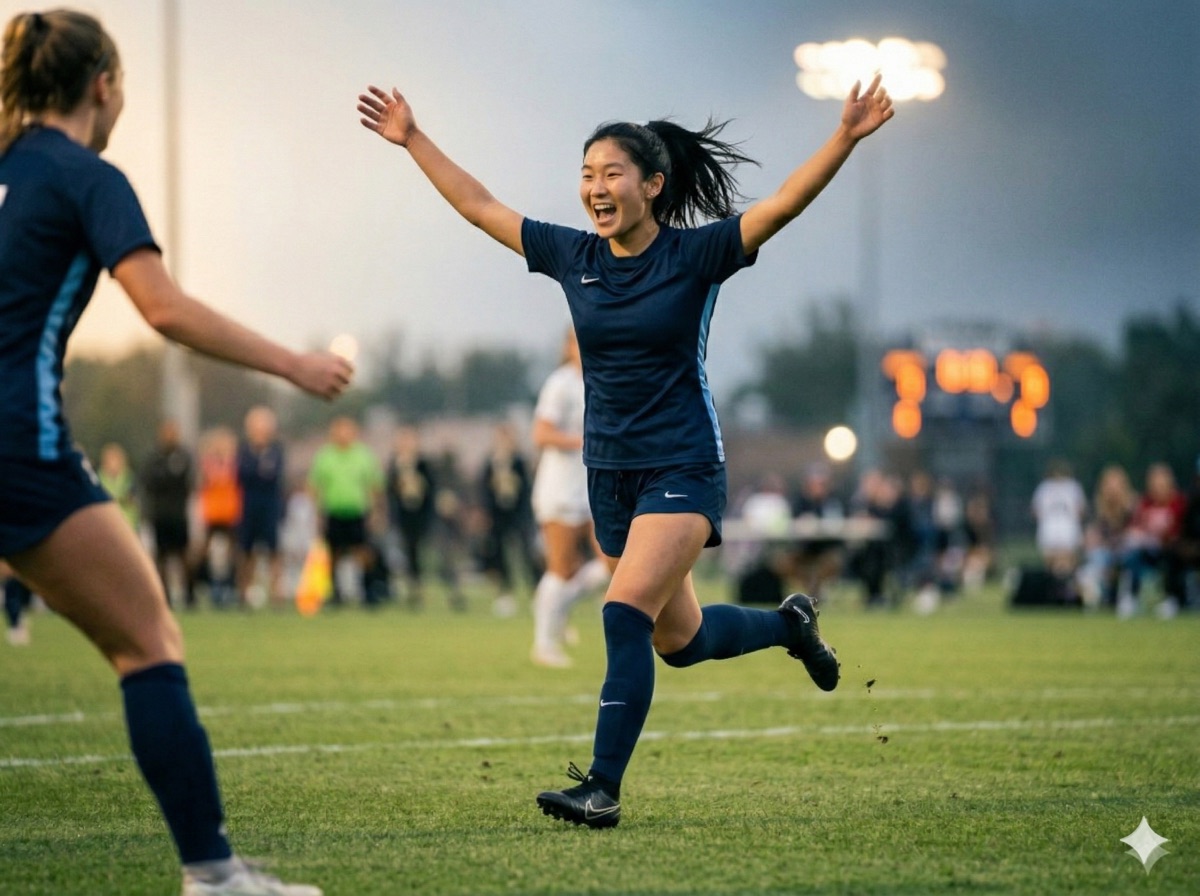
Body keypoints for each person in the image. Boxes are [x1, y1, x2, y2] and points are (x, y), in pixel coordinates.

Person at [358, 68, 892, 826]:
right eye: (586, 174)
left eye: (611, 173)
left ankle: (601, 788)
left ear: (652, 185)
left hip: (683, 467)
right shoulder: (573, 256)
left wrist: (842, 137)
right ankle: (788, 625)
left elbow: (781, 207)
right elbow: (480, 207)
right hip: (608, 477)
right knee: (682, 640)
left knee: (621, 612)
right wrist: (413, 138)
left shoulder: (696, 256)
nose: (595, 187)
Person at [0, 11, 350, 894]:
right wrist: (294, 365)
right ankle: (214, 876)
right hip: (13, 440)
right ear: (104, 86)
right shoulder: (88, 176)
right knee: (148, 640)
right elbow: (164, 309)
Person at [529, 327, 610, 667]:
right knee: (561, 566)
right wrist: (583, 442)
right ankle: (544, 643)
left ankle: (557, 610)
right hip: (559, 489)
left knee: (612, 562)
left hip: (592, 490)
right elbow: (541, 432)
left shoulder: (603, 380)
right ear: (568, 346)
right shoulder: (561, 383)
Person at [307, 416, 383, 606]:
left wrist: (375, 511)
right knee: (334, 554)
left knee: (363, 553)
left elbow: (374, 485)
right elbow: (315, 486)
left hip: (357, 512)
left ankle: (368, 591)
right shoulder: (325, 456)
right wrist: (317, 512)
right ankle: (335, 593)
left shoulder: (363, 455)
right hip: (333, 511)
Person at [479, 420, 542, 617]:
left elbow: (528, 489)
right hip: (498, 516)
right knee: (499, 554)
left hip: (519, 515)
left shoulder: (519, 463)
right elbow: (483, 491)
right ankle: (505, 594)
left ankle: (536, 593)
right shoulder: (490, 463)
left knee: (526, 553)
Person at [385, 424, 444, 610]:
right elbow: (389, 491)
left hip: (422, 516)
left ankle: (446, 588)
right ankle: (414, 589)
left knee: (431, 553)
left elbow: (432, 490)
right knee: (409, 553)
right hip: (404, 516)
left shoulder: (423, 464)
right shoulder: (395, 465)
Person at [235, 406, 286, 608]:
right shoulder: (244, 450)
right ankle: (244, 593)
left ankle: (277, 594)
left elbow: (273, 476)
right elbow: (243, 476)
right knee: (246, 551)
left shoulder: (277, 450)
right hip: (248, 506)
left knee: (273, 551)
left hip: (270, 506)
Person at [141, 419, 196, 608]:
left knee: (183, 555)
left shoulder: (184, 456)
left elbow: (187, 482)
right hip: (160, 514)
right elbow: (150, 482)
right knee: (161, 557)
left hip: (179, 514)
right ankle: (163, 596)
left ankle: (189, 594)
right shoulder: (154, 457)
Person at [195, 427, 242, 608]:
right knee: (205, 552)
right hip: (212, 513)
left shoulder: (236, 464)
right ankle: (205, 584)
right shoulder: (207, 464)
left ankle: (229, 586)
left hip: (231, 513)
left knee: (233, 553)